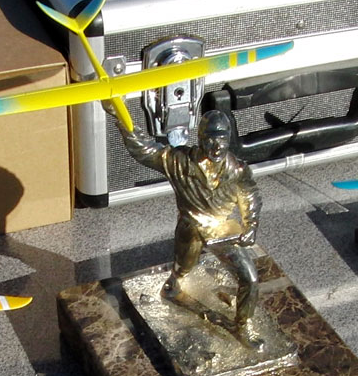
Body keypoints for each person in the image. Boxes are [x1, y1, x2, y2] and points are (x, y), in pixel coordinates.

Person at [113, 109, 264, 350]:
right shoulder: (179, 161)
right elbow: (145, 150)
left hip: (221, 229)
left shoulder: (237, 170)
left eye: (222, 139)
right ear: (200, 138)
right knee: (183, 267)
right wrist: (121, 118)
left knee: (250, 279)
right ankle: (174, 283)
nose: (216, 146)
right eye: (210, 140)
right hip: (190, 227)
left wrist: (251, 225)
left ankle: (242, 325)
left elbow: (250, 195)